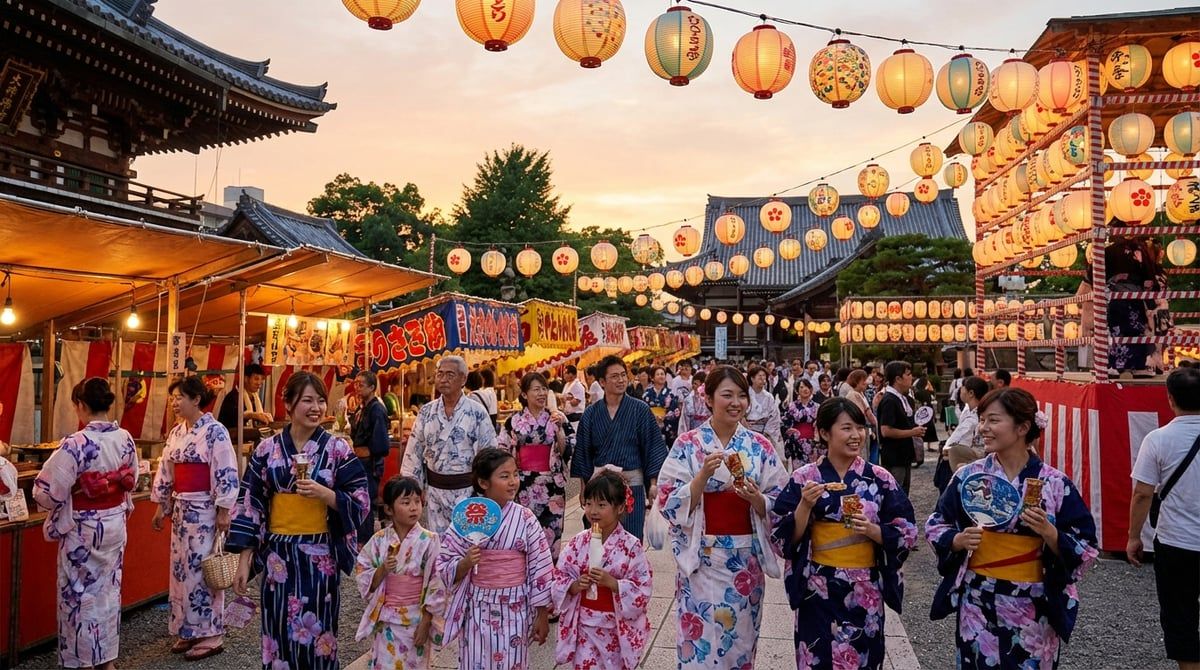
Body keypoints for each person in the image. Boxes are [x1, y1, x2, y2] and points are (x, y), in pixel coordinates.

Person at [926, 387, 1098, 669]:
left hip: (1033, 602)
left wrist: (1051, 534)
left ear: (1023, 427)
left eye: (993, 420)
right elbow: (935, 524)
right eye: (982, 420)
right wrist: (956, 539)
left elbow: (1087, 547)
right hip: (978, 598)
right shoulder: (968, 476)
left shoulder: (1054, 483)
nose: (983, 428)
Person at [227, 371, 371, 670]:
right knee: (277, 627)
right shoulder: (267, 450)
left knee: (319, 631)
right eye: (307, 400)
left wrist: (326, 495)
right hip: (277, 555)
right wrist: (244, 560)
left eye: (320, 400)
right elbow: (250, 504)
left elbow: (361, 500)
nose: (316, 407)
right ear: (289, 404)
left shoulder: (337, 449)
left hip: (319, 555)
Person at [655, 365, 787, 668]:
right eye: (727, 395)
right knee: (699, 642)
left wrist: (757, 499)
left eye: (742, 395)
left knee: (740, 641)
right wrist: (701, 477)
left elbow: (782, 500)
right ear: (709, 398)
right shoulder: (688, 444)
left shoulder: (759, 445)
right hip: (701, 557)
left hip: (745, 561)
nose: (736, 402)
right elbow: (667, 499)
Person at [772, 397, 917, 669]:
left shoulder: (879, 478)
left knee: (863, 658)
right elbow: (781, 538)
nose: (856, 436)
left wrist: (874, 530)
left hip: (865, 587)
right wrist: (804, 506)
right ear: (825, 433)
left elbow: (907, 533)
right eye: (847, 428)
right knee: (818, 658)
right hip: (817, 586)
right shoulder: (804, 477)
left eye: (860, 428)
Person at [33, 378, 138, 670]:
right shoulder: (125, 438)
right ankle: (106, 660)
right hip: (113, 523)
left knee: (78, 594)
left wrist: (67, 496)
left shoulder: (76, 444)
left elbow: (46, 491)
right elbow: (133, 479)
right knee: (108, 591)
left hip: (83, 530)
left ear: (80, 405)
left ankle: (82, 662)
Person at [435, 448, 554, 669]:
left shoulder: (524, 517)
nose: (513, 482)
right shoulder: (467, 517)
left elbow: (541, 566)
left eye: (515, 474)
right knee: (475, 661)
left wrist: (542, 613)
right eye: (504, 476)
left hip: (515, 606)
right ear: (483, 482)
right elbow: (443, 562)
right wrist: (465, 563)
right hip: (478, 607)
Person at [150, 376, 240, 660]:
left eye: (180, 397)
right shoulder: (177, 433)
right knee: (181, 571)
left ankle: (212, 633)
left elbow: (225, 468)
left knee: (203, 570)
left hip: (205, 510)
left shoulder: (215, 432)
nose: (175, 403)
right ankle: (188, 629)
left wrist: (224, 508)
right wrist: (161, 504)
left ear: (196, 399)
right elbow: (166, 469)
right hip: (181, 509)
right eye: (173, 398)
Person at [1128, 368, 1200, 670]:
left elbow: (1143, 494)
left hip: (1176, 541)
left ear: (1169, 399)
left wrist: (1133, 536)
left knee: (1180, 615)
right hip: (1178, 539)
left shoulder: (1158, 439)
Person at [552, 470, 653, 669]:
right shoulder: (577, 542)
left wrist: (614, 584)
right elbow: (560, 576)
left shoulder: (631, 546)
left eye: (601, 505)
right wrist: (574, 586)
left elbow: (643, 588)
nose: (593, 511)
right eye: (588, 503)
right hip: (584, 626)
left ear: (620, 507)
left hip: (615, 627)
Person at [354, 475, 447, 670]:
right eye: (406, 502)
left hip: (416, 618)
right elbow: (363, 571)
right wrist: (382, 570)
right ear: (388, 509)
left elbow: (437, 581)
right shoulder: (379, 540)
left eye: (417, 502)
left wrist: (427, 620)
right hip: (387, 618)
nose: (414, 507)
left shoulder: (429, 540)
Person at [572, 355, 667, 539]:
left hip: (631, 486)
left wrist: (653, 484)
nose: (621, 380)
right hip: (600, 488)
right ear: (602, 382)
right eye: (614, 376)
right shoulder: (591, 413)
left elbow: (653, 446)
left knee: (631, 539)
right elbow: (583, 452)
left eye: (623, 375)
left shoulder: (640, 409)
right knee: (599, 540)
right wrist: (584, 488)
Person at [401, 355, 497, 533]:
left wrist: (487, 491)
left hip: (468, 492)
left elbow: (490, 453)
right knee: (438, 546)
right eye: (440, 374)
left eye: (450, 375)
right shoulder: (426, 412)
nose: (443, 379)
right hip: (435, 492)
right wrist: (412, 490)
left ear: (463, 379)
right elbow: (413, 453)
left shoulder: (476, 412)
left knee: (467, 543)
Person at [498, 372, 570, 559]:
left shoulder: (556, 418)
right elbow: (502, 449)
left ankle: (548, 577)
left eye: (544, 389)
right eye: (536, 389)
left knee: (551, 534)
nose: (542, 393)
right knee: (524, 533)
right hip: (523, 484)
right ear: (524, 394)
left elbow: (568, 450)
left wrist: (560, 430)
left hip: (552, 484)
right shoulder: (513, 421)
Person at [352, 370, 391, 544]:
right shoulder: (362, 408)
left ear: (372, 387)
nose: (357, 388)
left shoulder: (377, 409)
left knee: (366, 503)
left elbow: (381, 445)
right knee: (359, 501)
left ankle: (365, 543)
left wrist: (364, 451)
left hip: (370, 466)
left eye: (361, 385)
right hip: (360, 464)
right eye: (356, 384)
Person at [876, 361, 924, 493]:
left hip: (904, 455)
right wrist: (911, 432)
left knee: (903, 490)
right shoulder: (889, 400)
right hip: (894, 456)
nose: (911, 378)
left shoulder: (903, 398)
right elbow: (885, 430)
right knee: (895, 492)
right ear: (898, 379)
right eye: (908, 375)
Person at [945, 376, 990, 471]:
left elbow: (960, 433)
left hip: (977, 453)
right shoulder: (968, 408)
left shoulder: (976, 415)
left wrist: (946, 447)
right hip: (971, 448)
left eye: (963, 386)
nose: (961, 389)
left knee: (953, 451)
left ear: (971, 393)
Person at [217, 363, 272, 438]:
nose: (259, 383)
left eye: (262, 379)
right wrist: (253, 415)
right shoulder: (233, 397)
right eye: (256, 379)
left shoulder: (254, 398)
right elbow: (233, 420)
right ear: (246, 379)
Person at [781, 379, 821, 470]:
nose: (805, 389)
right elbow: (784, 423)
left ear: (811, 389)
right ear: (796, 391)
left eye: (807, 387)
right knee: (799, 470)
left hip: (813, 441)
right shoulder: (792, 406)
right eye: (802, 387)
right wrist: (790, 432)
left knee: (813, 469)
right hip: (797, 443)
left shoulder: (817, 406)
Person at [845, 369, 880, 465]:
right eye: (863, 380)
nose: (865, 382)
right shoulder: (853, 395)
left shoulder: (861, 394)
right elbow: (859, 414)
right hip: (860, 428)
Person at [643, 365, 681, 448]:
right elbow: (643, 412)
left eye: (662, 374)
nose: (661, 376)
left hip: (667, 426)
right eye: (658, 374)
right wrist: (653, 418)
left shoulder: (671, 394)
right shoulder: (646, 394)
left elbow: (675, 412)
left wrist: (665, 417)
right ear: (652, 378)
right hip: (651, 426)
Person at [745, 365, 782, 447]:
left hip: (764, 431)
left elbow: (774, 416)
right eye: (760, 376)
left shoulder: (769, 396)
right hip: (747, 430)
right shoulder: (745, 395)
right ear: (752, 378)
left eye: (764, 376)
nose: (762, 378)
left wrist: (766, 432)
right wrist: (744, 424)